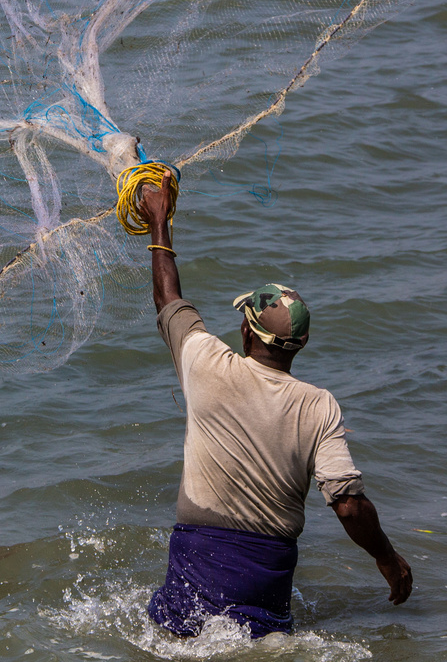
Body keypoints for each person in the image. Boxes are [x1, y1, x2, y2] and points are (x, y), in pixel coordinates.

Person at [134, 169, 412, 638]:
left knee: (172, 639)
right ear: (298, 345)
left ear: (246, 331)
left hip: (196, 557)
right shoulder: (319, 407)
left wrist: (159, 220)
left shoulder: (206, 362)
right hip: (268, 575)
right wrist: (388, 558)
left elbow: (168, 297)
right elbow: (347, 505)